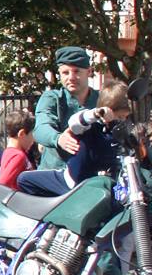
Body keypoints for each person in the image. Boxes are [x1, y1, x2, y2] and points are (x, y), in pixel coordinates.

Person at [19, 46, 101, 197]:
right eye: (65, 72)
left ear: (89, 72)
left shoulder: (102, 100)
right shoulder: (52, 98)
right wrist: (58, 139)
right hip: (54, 179)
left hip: (92, 180)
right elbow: (41, 128)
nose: (71, 77)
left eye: (77, 71)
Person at [0, 109, 37, 190]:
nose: (34, 140)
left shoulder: (11, 152)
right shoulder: (18, 156)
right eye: (32, 134)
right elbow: (3, 184)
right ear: (21, 134)